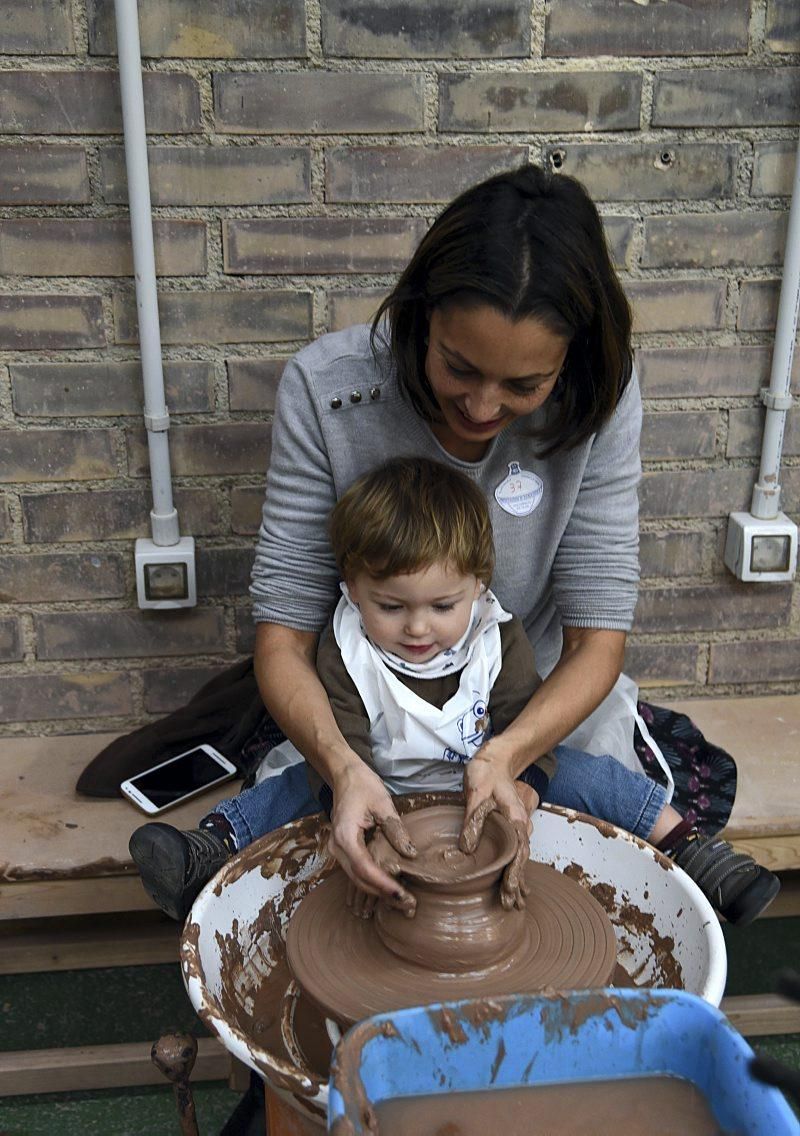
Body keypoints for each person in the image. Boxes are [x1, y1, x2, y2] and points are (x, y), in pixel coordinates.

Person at [130, 458, 779, 927]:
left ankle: (693, 853)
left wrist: (526, 781)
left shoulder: (499, 638)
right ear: (352, 590)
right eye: (390, 605)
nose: (417, 627)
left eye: (443, 605)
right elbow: (344, 751)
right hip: (375, 776)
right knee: (288, 786)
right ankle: (207, 849)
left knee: (599, 776)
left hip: (484, 773)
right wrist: (346, 794)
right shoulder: (345, 649)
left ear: (480, 586)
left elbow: (526, 726)